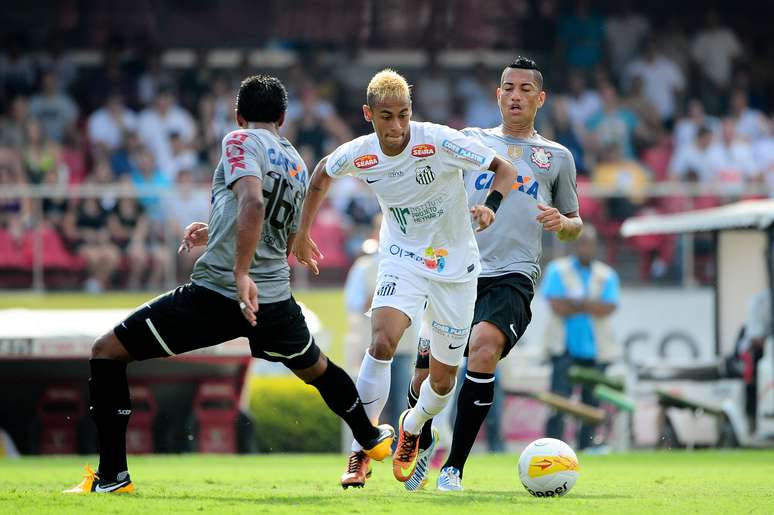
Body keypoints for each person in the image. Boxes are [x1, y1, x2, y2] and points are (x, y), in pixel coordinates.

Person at [64, 75, 394, 495]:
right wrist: (216, 230)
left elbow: (253, 202)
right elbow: (276, 223)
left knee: (107, 352)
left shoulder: (239, 140)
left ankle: (113, 476)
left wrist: (239, 272)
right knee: (319, 369)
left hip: (221, 292)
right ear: (283, 117)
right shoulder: (295, 161)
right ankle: (368, 435)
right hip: (275, 301)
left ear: (238, 116)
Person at [292, 69, 517, 488]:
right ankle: (362, 447)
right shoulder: (360, 154)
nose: (397, 127)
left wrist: (490, 205)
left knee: (443, 379)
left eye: (403, 115)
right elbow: (321, 173)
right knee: (382, 341)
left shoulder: (438, 139)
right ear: (368, 114)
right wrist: (302, 232)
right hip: (402, 256)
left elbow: (504, 170)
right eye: (386, 116)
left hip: (456, 265)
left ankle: (412, 426)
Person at [405, 57, 583, 492]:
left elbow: (577, 224)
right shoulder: (470, 141)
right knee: (426, 377)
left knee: (483, 348)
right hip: (455, 271)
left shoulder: (556, 157)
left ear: (540, 99)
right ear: (497, 94)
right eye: (508, 87)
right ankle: (423, 439)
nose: (516, 95)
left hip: (513, 275)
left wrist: (563, 222)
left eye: (525, 88)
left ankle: (454, 469)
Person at [543, 225, 620, 450]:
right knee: (558, 403)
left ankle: (586, 448)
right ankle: (551, 448)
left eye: (590, 243)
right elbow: (558, 306)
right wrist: (590, 305)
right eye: (582, 243)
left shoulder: (606, 274)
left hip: (595, 353)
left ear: (595, 247)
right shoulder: (558, 270)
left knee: (592, 406)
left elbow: (608, 307)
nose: (585, 247)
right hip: (564, 351)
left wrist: (575, 304)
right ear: (575, 245)